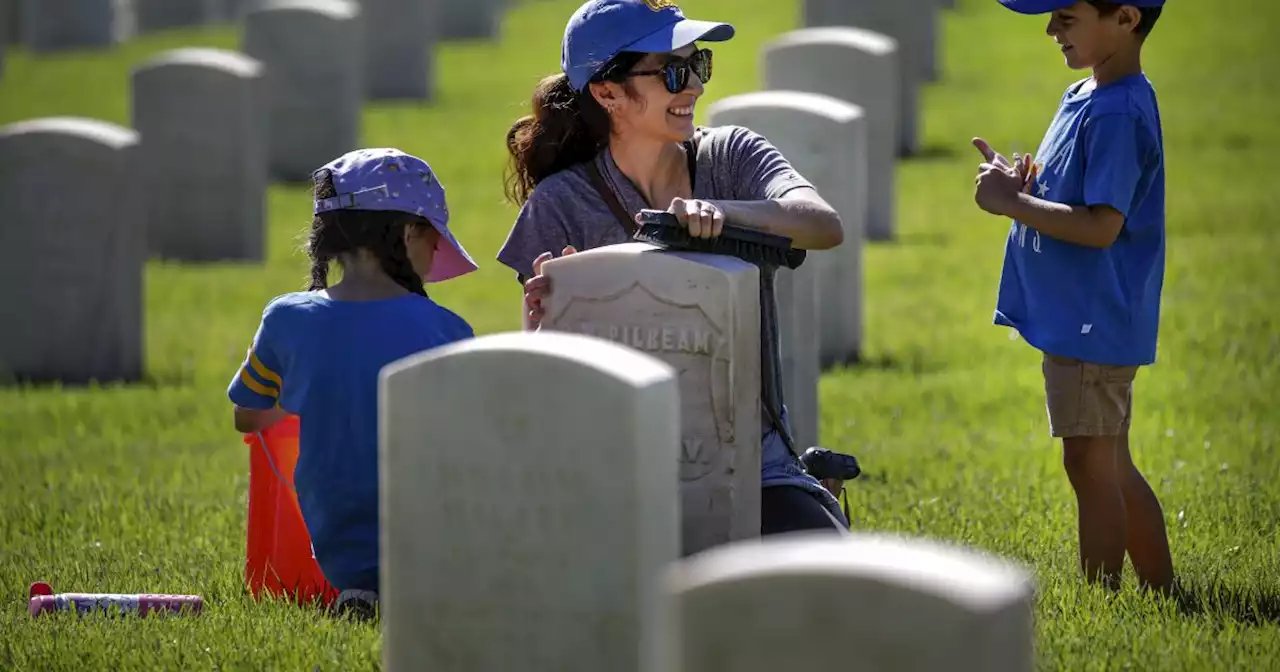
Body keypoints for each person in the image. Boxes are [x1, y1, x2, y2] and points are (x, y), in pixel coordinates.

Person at [496, 0, 851, 535]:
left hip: (754, 463)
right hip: (608, 466)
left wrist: (724, 213)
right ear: (608, 92)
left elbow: (823, 225)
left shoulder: (730, 156)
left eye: (698, 64)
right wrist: (541, 321)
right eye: (673, 71)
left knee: (823, 576)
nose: (695, 88)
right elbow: (541, 382)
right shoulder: (559, 204)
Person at [973, 0, 1174, 593]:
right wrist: (1028, 187)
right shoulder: (1088, 94)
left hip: (1094, 318)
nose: (1050, 28)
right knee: (1106, 462)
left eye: (1066, 15)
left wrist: (1013, 205)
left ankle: (1102, 596)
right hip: (1087, 316)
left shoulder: (1116, 111)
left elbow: (1101, 226)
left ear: (1126, 19)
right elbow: (1076, 194)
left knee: (1089, 464)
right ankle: (1160, 590)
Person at [227, 148, 478, 617]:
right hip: (430, 539)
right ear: (407, 234)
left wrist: (312, 388)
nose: (435, 253)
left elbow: (248, 415)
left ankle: (362, 593)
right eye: (432, 238)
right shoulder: (447, 331)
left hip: (337, 547)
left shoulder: (286, 319)